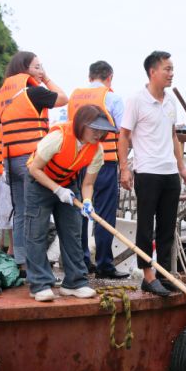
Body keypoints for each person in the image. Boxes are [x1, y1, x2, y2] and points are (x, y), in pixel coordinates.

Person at [119, 51, 186, 297]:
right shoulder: (136, 100)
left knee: (167, 228)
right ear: (153, 71)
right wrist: (124, 168)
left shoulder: (170, 101)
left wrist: (181, 167)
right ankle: (148, 276)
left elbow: (173, 136)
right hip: (148, 172)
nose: (171, 74)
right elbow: (124, 136)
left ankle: (162, 275)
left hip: (169, 173)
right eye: (167, 69)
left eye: (172, 69)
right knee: (145, 227)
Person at [24, 105, 116, 302]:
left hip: (68, 185)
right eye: (94, 129)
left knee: (73, 233)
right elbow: (34, 168)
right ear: (81, 125)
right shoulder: (58, 137)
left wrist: (88, 201)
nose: (98, 134)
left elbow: (88, 183)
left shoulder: (97, 151)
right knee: (36, 233)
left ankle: (75, 282)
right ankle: (39, 284)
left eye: (102, 130)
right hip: (38, 182)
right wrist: (56, 190)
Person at [0, 51, 68, 273]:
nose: (41, 70)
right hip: (29, 160)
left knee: (20, 211)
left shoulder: (3, 92)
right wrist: (45, 79)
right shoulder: (33, 92)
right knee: (35, 212)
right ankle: (35, 264)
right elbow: (64, 98)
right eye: (37, 67)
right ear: (25, 69)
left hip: (10, 160)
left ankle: (21, 262)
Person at [68, 61, 128, 279]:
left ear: (89, 76)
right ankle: (104, 265)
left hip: (77, 161)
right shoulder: (112, 98)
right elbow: (123, 133)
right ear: (109, 77)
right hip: (104, 162)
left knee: (81, 213)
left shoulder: (74, 97)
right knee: (104, 214)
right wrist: (125, 166)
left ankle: (83, 263)